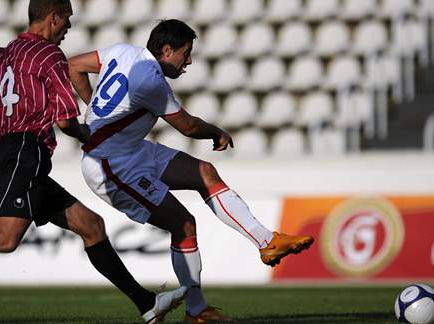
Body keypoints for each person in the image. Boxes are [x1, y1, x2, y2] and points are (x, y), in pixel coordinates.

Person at [69, 19, 314, 323]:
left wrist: (92, 106)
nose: (189, 61)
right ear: (167, 49)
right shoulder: (150, 80)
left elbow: (74, 66)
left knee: (205, 172)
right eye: (186, 53)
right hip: (110, 165)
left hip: (131, 148)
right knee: (183, 224)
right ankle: (196, 311)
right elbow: (188, 126)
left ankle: (267, 242)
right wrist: (218, 132)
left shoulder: (121, 51)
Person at [0, 2, 186, 323]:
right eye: (67, 20)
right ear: (53, 18)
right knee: (4, 240)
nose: (69, 28)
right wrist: (89, 133)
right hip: (26, 151)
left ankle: (147, 304)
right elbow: (66, 120)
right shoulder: (49, 56)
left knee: (91, 226)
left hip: (11, 152)